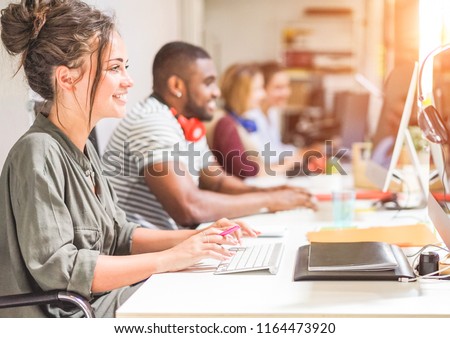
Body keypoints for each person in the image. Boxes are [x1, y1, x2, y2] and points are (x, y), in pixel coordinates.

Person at [0, 0, 256, 318]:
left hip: (102, 301)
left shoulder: (82, 149)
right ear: (67, 79)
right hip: (75, 315)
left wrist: (199, 236)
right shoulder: (37, 152)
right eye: (114, 68)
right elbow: (61, 271)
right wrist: (171, 258)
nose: (128, 80)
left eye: (125, 66)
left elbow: (120, 235)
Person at [105, 42, 316, 231]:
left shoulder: (186, 122)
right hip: (145, 259)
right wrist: (270, 200)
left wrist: (275, 193)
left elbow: (217, 181)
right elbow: (188, 207)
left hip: (173, 245)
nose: (216, 92)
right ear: (177, 86)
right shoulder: (153, 122)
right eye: (208, 83)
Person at [207, 62, 267, 178]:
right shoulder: (224, 123)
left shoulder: (244, 120)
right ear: (240, 92)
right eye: (258, 89)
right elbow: (244, 171)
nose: (263, 94)